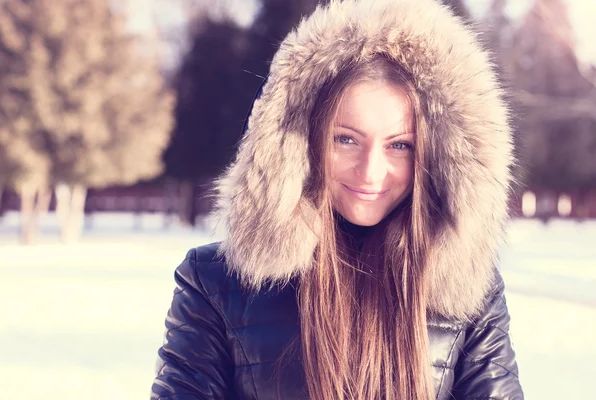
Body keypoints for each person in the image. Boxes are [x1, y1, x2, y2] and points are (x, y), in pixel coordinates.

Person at [151, 0, 524, 399]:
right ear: (303, 142)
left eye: (399, 146)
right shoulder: (216, 283)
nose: (370, 171)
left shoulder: (466, 293)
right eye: (346, 139)